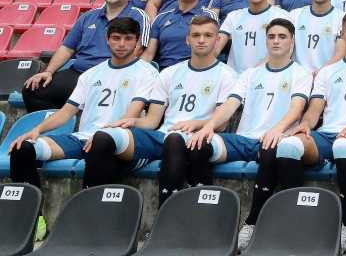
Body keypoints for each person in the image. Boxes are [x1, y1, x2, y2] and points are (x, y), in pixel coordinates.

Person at [266, 10, 346, 252]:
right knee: (289, 145)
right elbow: (315, 109)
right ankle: (297, 220)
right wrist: (306, 125)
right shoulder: (328, 71)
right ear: (341, 33)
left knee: (344, 146)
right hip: (326, 135)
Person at [187, 18, 313, 250]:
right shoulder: (249, 74)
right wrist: (209, 126)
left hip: (273, 139)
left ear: (292, 41)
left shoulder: (301, 73)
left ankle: (252, 221)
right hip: (242, 140)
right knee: (199, 144)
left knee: (270, 144)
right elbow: (230, 105)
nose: (276, 41)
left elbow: (296, 108)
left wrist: (277, 129)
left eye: (282, 36)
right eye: (272, 36)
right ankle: (206, 215)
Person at [86, 16, 236, 201]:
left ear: (218, 39)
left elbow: (221, 125)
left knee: (175, 139)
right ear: (187, 39)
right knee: (103, 137)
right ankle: (92, 204)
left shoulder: (227, 75)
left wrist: (195, 123)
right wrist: (133, 121)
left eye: (208, 35)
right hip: (162, 136)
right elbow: (152, 121)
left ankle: (164, 216)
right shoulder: (169, 73)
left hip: (195, 138)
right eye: (196, 35)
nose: (201, 40)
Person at [8, 18, 156, 191]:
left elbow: (132, 114)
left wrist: (105, 134)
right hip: (84, 138)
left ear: (137, 41)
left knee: (100, 146)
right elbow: (66, 113)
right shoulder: (91, 74)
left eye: (128, 38)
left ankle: (88, 212)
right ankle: (36, 214)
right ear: (107, 39)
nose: (122, 44)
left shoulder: (147, 72)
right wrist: (36, 130)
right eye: (116, 38)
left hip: (120, 142)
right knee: (23, 148)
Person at [22, 0, 149, 112]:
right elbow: (67, 48)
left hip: (112, 75)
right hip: (79, 72)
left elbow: (138, 49)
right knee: (33, 89)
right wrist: (48, 71)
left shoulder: (138, 16)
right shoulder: (88, 16)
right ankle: (58, 127)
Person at [216, 0, 291, 72]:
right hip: (236, 80)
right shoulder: (233, 16)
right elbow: (216, 47)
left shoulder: (281, 16)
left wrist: (253, 75)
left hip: (268, 78)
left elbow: (286, 50)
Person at [143, 0, 219, 69]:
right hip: (164, 72)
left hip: (195, 70)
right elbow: (149, 53)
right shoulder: (161, 18)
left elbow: (213, 50)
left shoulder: (208, 16)